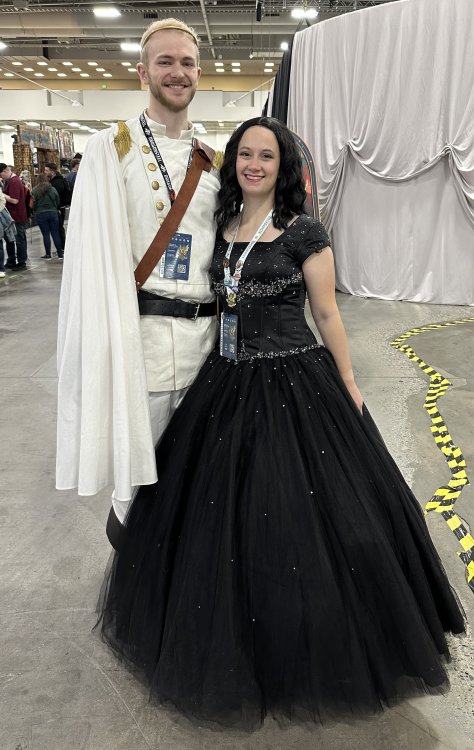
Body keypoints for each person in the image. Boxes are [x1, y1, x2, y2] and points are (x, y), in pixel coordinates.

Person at [98, 117, 466, 730]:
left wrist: (349, 383)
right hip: (227, 378)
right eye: (245, 154)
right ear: (234, 162)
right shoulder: (224, 225)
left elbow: (326, 312)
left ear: (284, 167)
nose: (254, 164)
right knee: (216, 519)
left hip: (297, 381)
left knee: (307, 517)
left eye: (267, 156)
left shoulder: (304, 233)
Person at [56, 18, 221, 542]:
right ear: (142, 72)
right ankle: (137, 595)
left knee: (200, 482)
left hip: (208, 346)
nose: (177, 72)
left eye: (187, 62)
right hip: (140, 343)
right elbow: (88, 261)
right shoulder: (112, 150)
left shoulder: (215, 160)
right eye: (165, 62)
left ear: (200, 72)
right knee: (136, 489)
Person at [0, 163, 28, 271]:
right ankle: (11, 260)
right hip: (10, 216)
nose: (1, 177)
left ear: (5, 171)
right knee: (9, 239)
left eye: (1, 175)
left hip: (17, 216)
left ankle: (21, 262)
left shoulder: (15, 181)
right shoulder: (9, 181)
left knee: (19, 239)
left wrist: (2, 196)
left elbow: (15, 200)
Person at [31, 174, 64, 259]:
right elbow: (57, 200)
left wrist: (35, 210)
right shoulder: (52, 189)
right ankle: (60, 254)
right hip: (53, 213)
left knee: (45, 234)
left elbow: (33, 203)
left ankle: (48, 254)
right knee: (55, 234)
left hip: (41, 214)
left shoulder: (34, 190)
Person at [44, 162, 71, 248]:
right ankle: (61, 247)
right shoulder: (55, 181)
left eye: (46, 170)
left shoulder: (57, 182)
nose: (45, 172)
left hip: (58, 208)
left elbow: (57, 197)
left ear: (52, 171)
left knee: (59, 228)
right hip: (58, 208)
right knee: (58, 228)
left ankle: (62, 247)